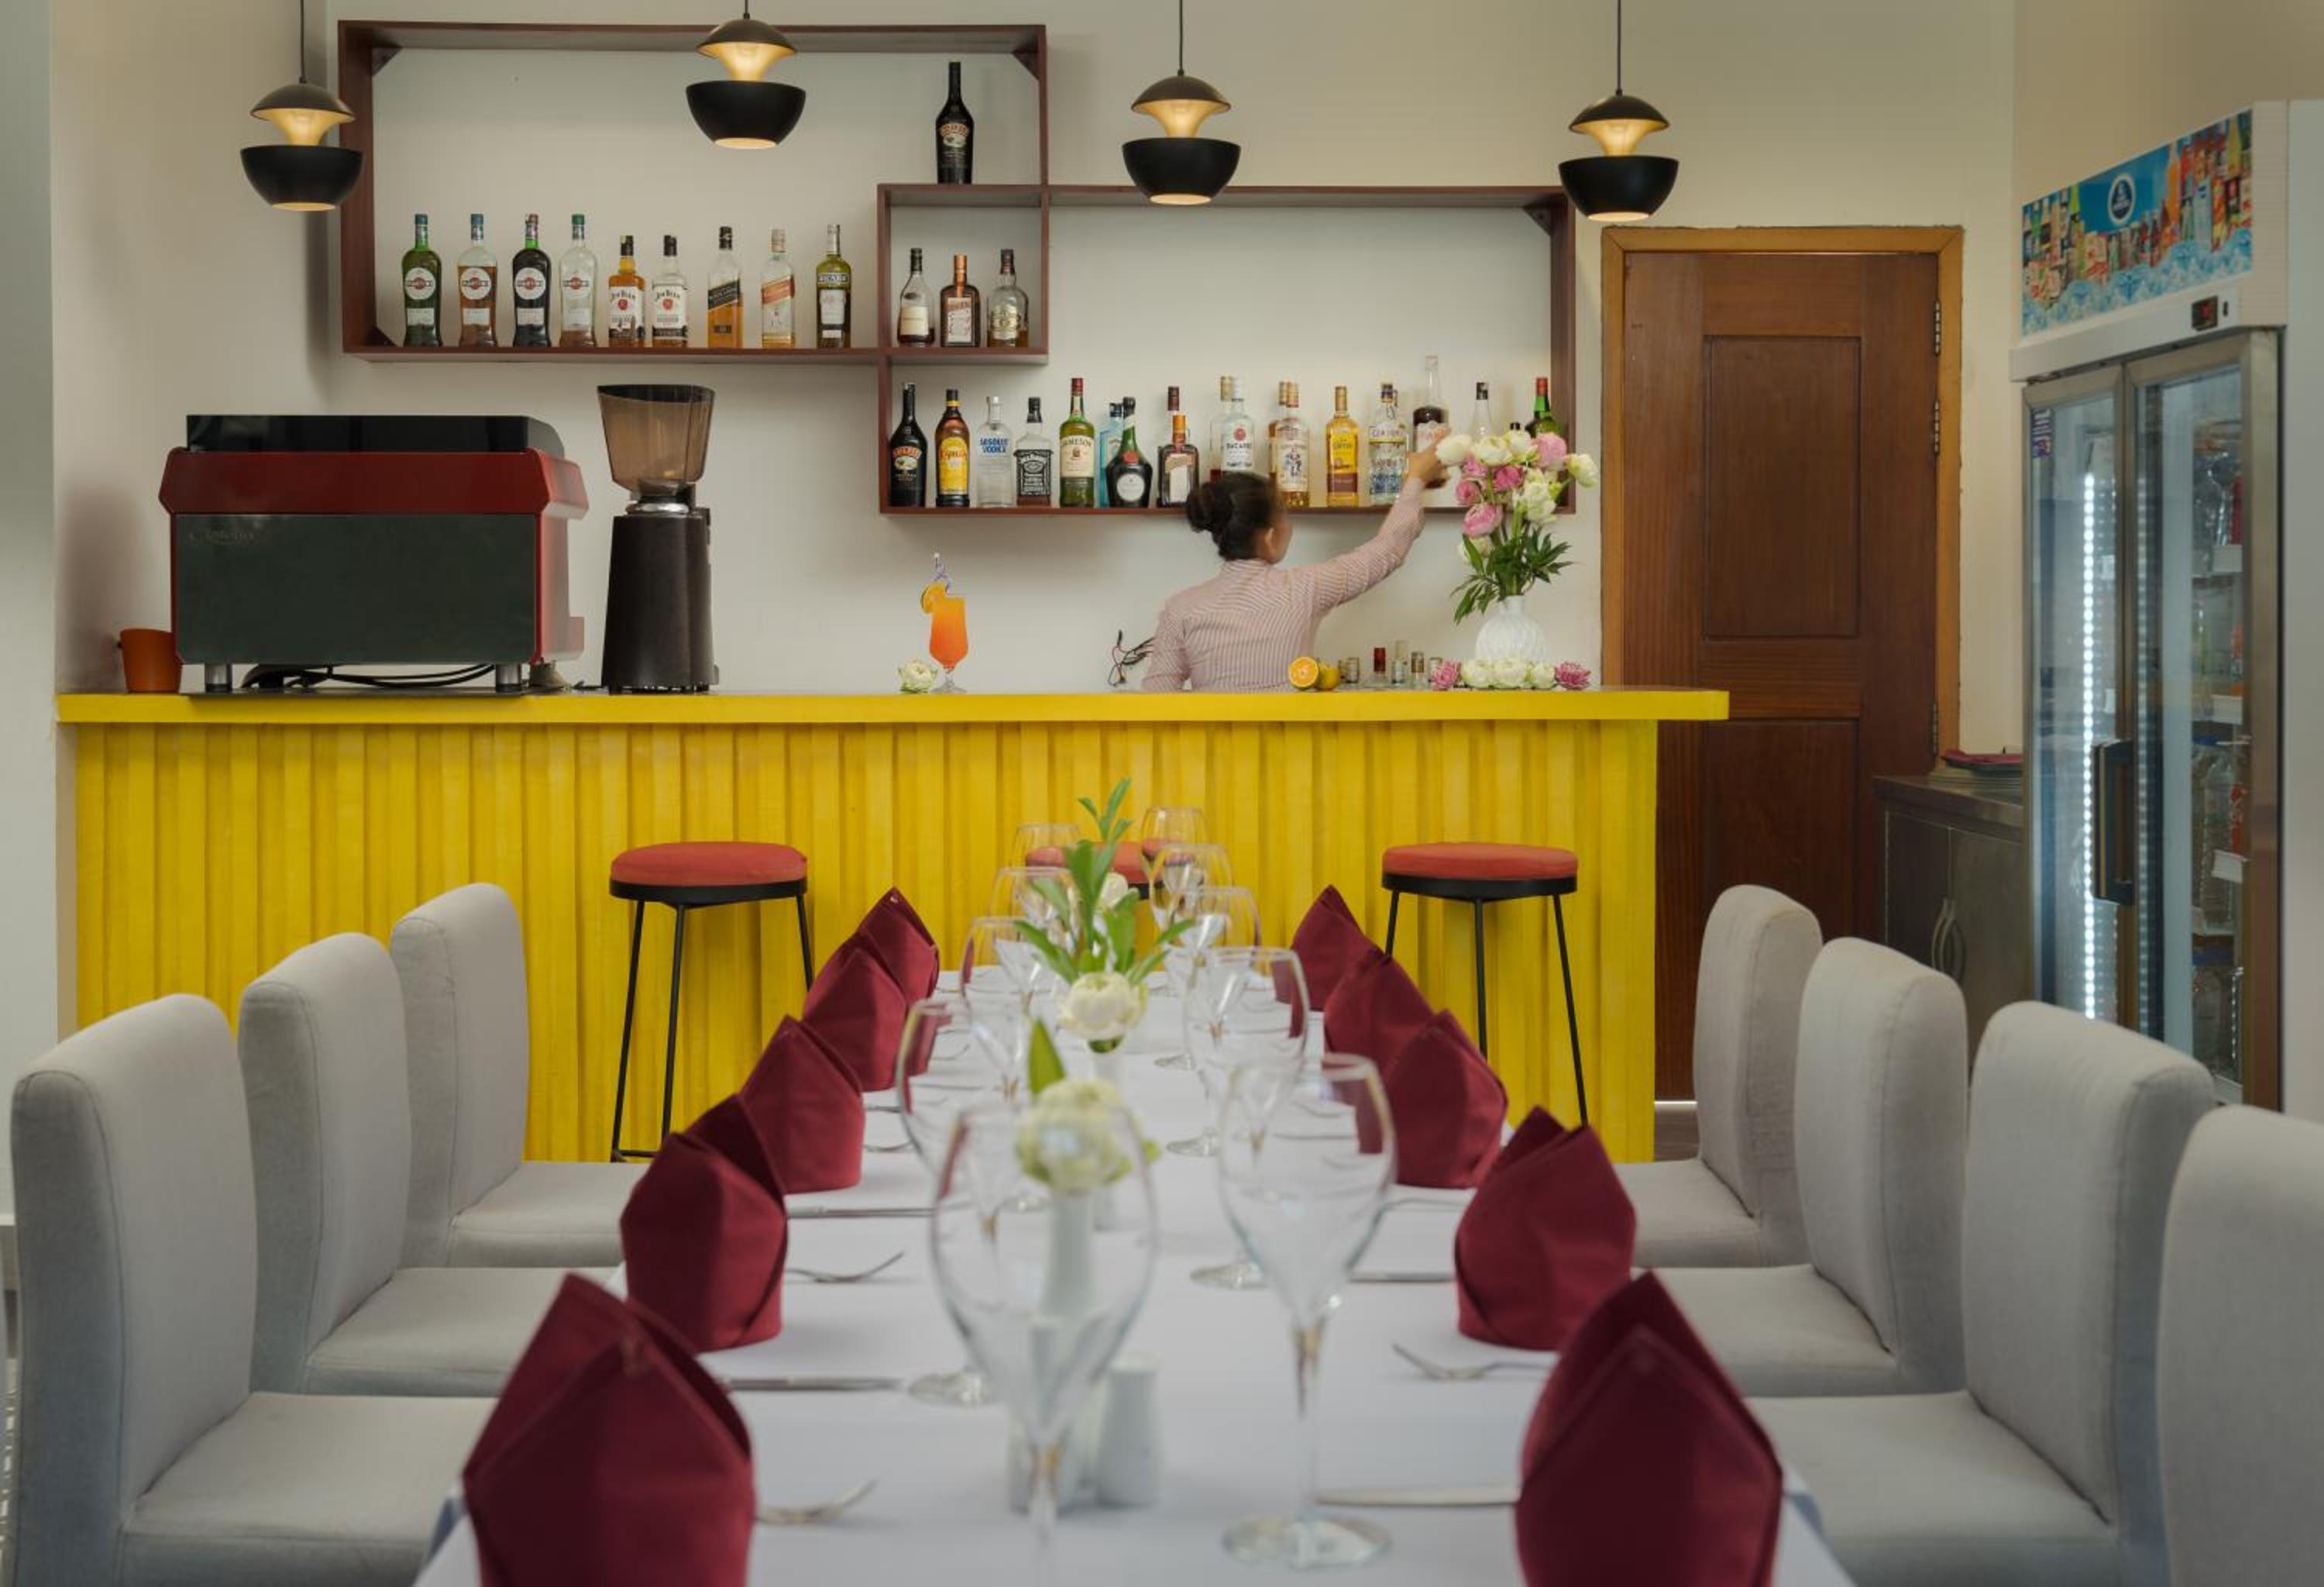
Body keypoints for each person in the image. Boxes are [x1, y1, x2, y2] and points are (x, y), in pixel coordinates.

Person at [1141, 446, 1447, 692]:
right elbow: (1385, 551)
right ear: (1269, 536)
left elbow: (1156, 700)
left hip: (1213, 753)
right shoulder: (1305, 588)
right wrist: (1415, 480)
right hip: (1290, 751)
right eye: (1285, 517)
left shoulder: (1180, 609)